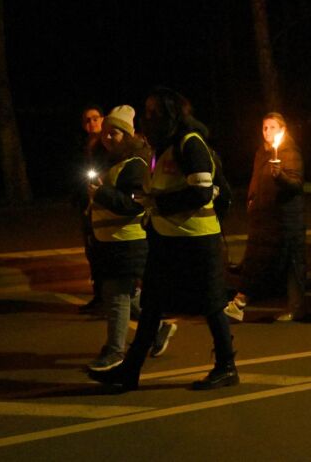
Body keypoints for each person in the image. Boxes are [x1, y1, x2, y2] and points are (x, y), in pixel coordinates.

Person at [89, 87, 237, 391]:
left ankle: (227, 367)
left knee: (211, 305)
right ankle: (129, 372)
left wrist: (157, 204)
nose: (148, 118)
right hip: (167, 240)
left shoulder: (190, 144)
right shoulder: (162, 148)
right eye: (147, 111)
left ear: (170, 114)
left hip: (197, 242)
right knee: (153, 306)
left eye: (154, 112)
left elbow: (202, 192)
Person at [86, 105, 176, 371]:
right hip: (111, 242)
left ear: (127, 134)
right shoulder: (114, 162)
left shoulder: (136, 164)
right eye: (105, 133)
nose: (107, 138)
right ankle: (160, 328)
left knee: (116, 295)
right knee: (126, 295)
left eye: (113, 133)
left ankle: (115, 351)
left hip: (128, 242)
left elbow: (134, 204)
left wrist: (100, 195)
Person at [224, 113, 306, 323]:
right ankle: (240, 301)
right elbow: (257, 180)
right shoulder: (262, 152)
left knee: (290, 263)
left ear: (282, 130)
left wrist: (281, 176)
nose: (267, 131)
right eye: (264, 127)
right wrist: (252, 200)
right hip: (264, 217)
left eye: (271, 127)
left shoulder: (290, 152)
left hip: (285, 219)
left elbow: (296, 185)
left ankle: (294, 307)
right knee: (257, 258)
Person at [76, 104, 109, 313]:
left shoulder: (107, 144)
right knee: (92, 251)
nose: (92, 123)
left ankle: (107, 296)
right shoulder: (83, 147)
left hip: (103, 204)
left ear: (102, 119)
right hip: (86, 205)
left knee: (102, 250)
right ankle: (99, 295)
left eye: (95, 118)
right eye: (87, 120)